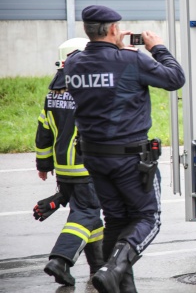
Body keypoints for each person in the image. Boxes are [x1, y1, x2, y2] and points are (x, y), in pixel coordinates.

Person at [64, 5, 185, 293]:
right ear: (114, 30)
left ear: (86, 30)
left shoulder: (72, 63)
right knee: (147, 218)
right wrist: (158, 49)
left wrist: (118, 51)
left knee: (116, 220)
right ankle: (112, 268)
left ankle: (115, 283)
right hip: (130, 158)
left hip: (94, 156)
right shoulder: (130, 60)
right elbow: (174, 79)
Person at [34, 37, 104, 287]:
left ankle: (98, 266)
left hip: (64, 168)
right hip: (86, 166)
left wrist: (44, 164)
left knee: (89, 216)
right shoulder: (87, 88)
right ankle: (60, 260)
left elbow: (44, 130)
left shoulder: (52, 92)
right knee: (86, 212)